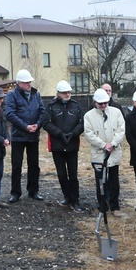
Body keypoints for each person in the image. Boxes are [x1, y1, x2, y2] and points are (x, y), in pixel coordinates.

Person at [43, 80, 85, 213]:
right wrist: (60, 134)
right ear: (58, 93)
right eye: (65, 92)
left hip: (72, 144)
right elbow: (46, 123)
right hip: (58, 145)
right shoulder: (51, 106)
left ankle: (75, 199)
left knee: (73, 174)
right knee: (61, 173)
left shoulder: (76, 106)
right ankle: (67, 197)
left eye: (69, 92)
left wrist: (74, 134)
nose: (67, 94)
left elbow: (82, 122)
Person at [84, 88, 126, 216]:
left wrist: (113, 144)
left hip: (114, 151)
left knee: (114, 179)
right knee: (100, 180)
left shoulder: (116, 112)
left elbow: (121, 130)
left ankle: (114, 206)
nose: (103, 106)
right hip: (99, 152)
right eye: (100, 103)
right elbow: (89, 134)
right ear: (95, 102)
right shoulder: (89, 116)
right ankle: (102, 204)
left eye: (105, 103)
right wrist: (103, 145)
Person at [5, 69, 45, 203]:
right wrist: (25, 126)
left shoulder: (36, 94)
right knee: (17, 165)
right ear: (18, 83)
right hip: (18, 136)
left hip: (33, 135)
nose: (29, 84)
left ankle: (33, 191)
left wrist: (37, 125)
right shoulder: (12, 96)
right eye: (26, 82)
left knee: (34, 164)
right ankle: (15, 192)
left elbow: (42, 111)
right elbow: (10, 114)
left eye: (29, 82)